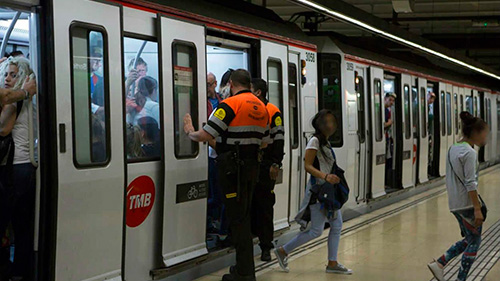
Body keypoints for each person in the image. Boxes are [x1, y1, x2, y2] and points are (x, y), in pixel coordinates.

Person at [183, 69, 269, 281]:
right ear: (249, 84)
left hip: (233, 173)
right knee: (244, 218)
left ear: (231, 83)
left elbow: (206, 134)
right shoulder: (262, 107)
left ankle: (244, 273)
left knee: (237, 221)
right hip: (251, 171)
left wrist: (189, 131)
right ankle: (244, 269)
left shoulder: (230, 105)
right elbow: (265, 141)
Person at [274, 109, 352, 275]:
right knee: (316, 231)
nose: (331, 125)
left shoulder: (325, 142)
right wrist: (326, 176)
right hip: (320, 192)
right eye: (327, 122)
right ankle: (283, 251)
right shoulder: (315, 141)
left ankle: (332, 262)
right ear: (320, 125)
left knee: (336, 225)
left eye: (332, 122)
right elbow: (307, 165)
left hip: (327, 191)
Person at [428, 111, 488, 281]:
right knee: (474, 243)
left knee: (470, 239)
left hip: (455, 203)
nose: (486, 137)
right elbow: (471, 183)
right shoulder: (470, 153)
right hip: (467, 205)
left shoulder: (453, 148)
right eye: (484, 132)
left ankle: (439, 263)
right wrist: (477, 209)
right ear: (476, 133)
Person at [0, 56, 36, 281]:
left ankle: (12, 271)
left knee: (11, 221)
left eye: (13, 75)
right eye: (5, 74)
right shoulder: (26, 97)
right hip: (21, 166)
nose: (7, 79)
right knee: (20, 224)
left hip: (15, 167)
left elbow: (3, 128)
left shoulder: (17, 101)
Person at [250, 78, 284, 262]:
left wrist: (275, 163)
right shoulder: (249, 109)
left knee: (264, 207)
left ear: (258, 93)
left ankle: (265, 247)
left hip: (265, 165)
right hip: (250, 165)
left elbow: (279, 140)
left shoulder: (272, 111)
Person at [384, 92, 396, 188]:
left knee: (388, 160)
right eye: (390, 100)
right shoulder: (383, 110)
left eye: (393, 101)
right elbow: (382, 124)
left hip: (387, 138)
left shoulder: (387, 111)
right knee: (387, 161)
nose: (391, 103)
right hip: (384, 139)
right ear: (385, 98)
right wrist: (389, 123)